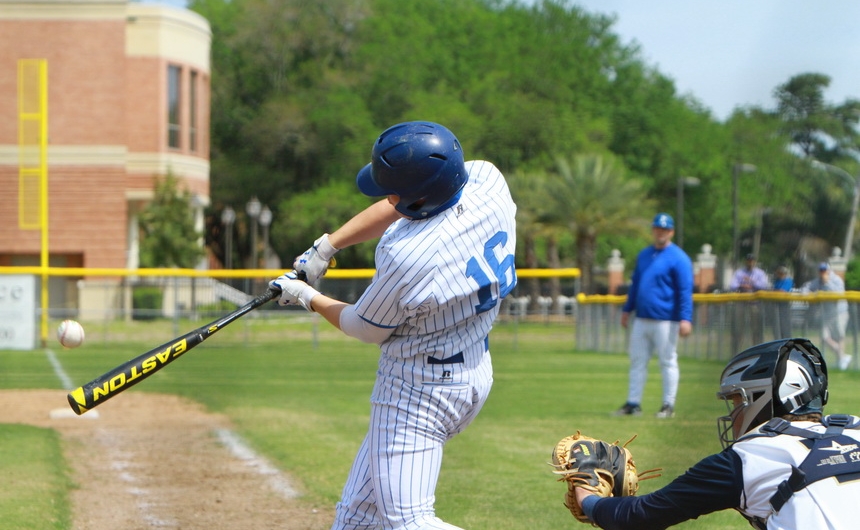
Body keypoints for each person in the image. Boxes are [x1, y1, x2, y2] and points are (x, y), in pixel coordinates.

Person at [269, 121, 517, 530]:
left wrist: (304, 296)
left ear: (417, 200)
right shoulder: (487, 178)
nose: (388, 197)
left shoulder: (409, 254)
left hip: (418, 391)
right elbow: (407, 199)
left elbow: (364, 326)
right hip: (473, 371)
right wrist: (326, 247)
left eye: (396, 192)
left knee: (409, 522)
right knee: (357, 516)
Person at [575, 337, 860, 529]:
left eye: (738, 400)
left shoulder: (749, 457)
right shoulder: (855, 428)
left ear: (764, 399)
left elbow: (639, 516)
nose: (733, 412)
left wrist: (587, 497)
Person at [615, 213, 693, 419]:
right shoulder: (644, 255)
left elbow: (685, 291)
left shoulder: (679, 258)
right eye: (658, 228)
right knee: (637, 361)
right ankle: (633, 403)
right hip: (642, 318)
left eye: (665, 229)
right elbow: (635, 285)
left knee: (667, 361)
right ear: (653, 230)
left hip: (667, 319)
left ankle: (668, 404)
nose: (661, 232)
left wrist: (686, 318)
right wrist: (626, 309)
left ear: (671, 232)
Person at [803, 262, 851, 370]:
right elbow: (806, 288)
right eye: (821, 270)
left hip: (840, 312)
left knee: (839, 337)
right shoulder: (817, 281)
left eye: (824, 270)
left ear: (829, 270)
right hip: (827, 314)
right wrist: (808, 293)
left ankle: (841, 362)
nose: (822, 272)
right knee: (825, 337)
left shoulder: (836, 280)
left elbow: (837, 293)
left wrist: (827, 282)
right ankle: (843, 356)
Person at [729, 253, 769, 353]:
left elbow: (764, 286)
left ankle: (758, 351)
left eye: (752, 260)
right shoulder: (739, 272)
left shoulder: (760, 273)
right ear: (746, 261)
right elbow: (732, 285)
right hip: (741, 303)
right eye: (748, 260)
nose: (750, 262)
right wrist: (742, 285)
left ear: (755, 262)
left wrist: (751, 282)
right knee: (738, 329)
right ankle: (736, 352)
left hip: (754, 304)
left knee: (756, 330)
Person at [772, 265, 794, 339]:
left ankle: (787, 340)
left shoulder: (788, 281)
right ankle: (778, 339)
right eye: (779, 273)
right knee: (777, 325)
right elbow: (773, 291)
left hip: (785, 305)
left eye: (782, 273)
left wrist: (775, 292)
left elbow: (783, 291)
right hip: (776, 305)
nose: (780, 274)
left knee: (785, 325)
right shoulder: (776, 281)